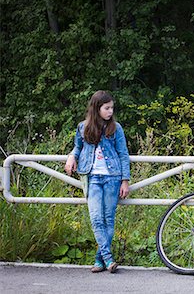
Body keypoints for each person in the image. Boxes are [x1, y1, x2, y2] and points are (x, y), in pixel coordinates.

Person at [65, 90, 130, 273]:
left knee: (108, 219)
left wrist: (125, 180)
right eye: (107, 108)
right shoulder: (83, 127)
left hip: (113, 177)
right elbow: (77, 147)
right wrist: (71, 157)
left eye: (112, 108)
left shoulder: (116, 128)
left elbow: (123, 155)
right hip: (92, 177)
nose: (110, 112)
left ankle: (99, 261)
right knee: (96, 219)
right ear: (97, 108)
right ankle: (109, 259)